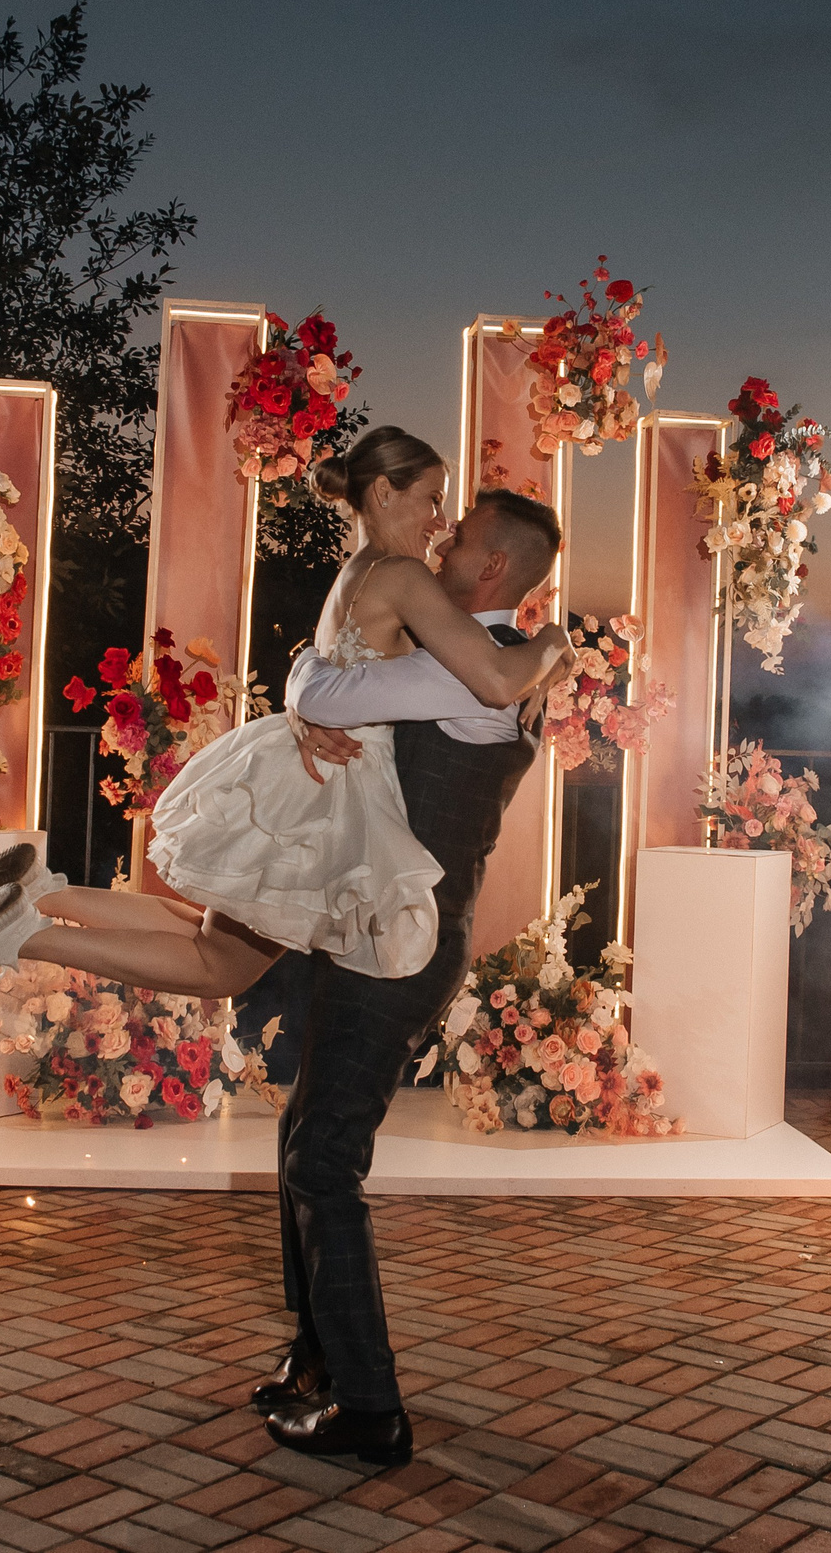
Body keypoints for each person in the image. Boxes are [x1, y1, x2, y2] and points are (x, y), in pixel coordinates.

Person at [0, 428, 568, 1004]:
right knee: (218, 966)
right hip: (335, 793)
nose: (441, 519)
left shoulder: (357, 573)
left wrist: (307, 709)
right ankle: (24, 934)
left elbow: (329, 673)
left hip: (300, 766)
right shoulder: (406, 576)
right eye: (431, 497)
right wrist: (552, 642)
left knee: (208, 935)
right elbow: (496, 678)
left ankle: (40, 889)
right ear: (385, 494)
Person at [252, 484, 563, 1466]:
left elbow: (317, 687)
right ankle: (320, 1361)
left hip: (400, 941)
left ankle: (370, 1405)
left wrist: (310, 671)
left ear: (492, 571)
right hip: (395, 929)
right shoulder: (481, 664)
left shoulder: (465, 675)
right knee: (307, 1131)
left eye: (456, 537)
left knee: (321, 1156)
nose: (437, 542)